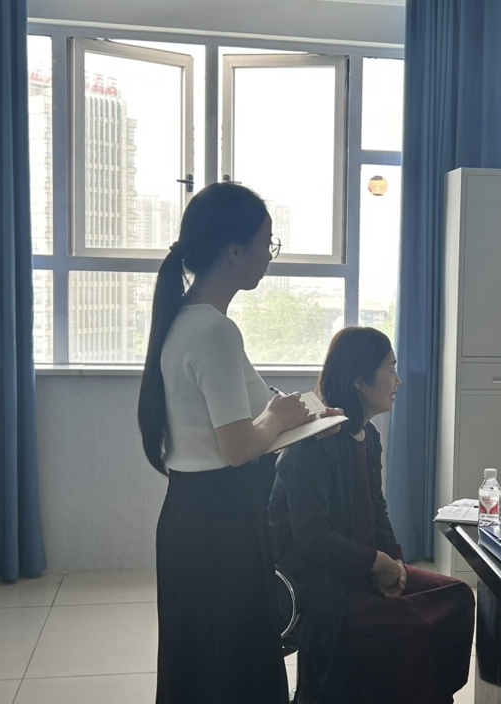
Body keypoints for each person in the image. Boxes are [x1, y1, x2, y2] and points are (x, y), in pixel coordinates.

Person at [138, 182, 329, 703]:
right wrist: (276, 416)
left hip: (194, 516)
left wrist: (306, 415)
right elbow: (239, 446)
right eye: (267, 243)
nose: (269, 255)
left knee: (201, 667)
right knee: (233, 667)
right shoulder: (214, 331)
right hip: (220, 523)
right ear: (233, 251)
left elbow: (254, 416)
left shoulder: (187, 319)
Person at [269, 327, 475, 704]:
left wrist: (394, 562)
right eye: (390, 369)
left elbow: (377, 510)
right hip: (325, 584)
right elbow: (311, 539)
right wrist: (376, 563)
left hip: (365, 567)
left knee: (457, 597)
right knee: (417, 626)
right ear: (360, 381)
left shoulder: (368, 436)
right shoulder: (312, 445)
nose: (398, 380)